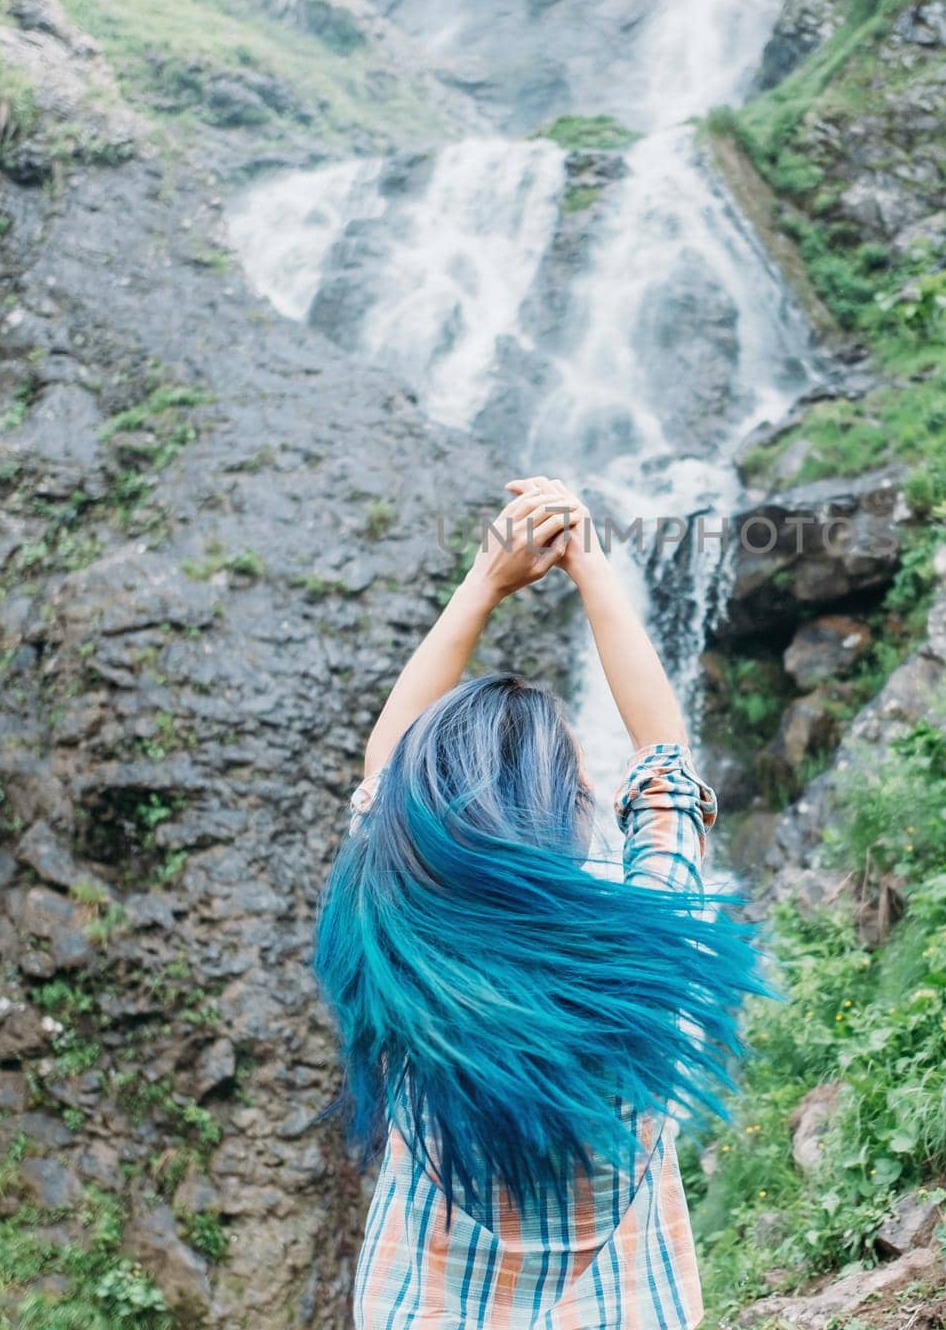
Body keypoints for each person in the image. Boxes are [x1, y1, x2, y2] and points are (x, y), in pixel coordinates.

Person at [314, 475, 762, 1329]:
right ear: (567, 798)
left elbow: (383, 767)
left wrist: (486, 579)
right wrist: (590, 563)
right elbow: (664, 755)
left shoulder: (399, 955)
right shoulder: (646, 953)